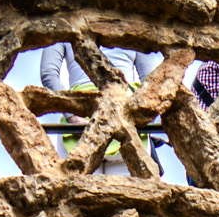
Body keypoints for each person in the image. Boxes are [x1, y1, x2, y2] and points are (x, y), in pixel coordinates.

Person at [39, 43, 160, 176]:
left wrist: (72, 117)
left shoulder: (64, 30)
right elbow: (153, 83)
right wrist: (139, 118)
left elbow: (49, 75)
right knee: (129, 188)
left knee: (78, 188)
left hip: (80, 121)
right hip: (126, 119)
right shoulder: (136, 32)